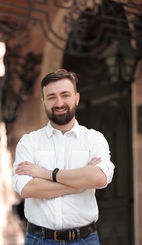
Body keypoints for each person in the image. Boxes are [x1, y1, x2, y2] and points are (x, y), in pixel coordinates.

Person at [13, 69, 115, 245]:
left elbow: (99, 178)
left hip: (84, 240)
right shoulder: (29, 142)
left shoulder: (94, 139)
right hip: (39, 240)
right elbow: (28, 189)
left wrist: (45, 174)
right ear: (44, 101)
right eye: (51, 97)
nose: (59, 102)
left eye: (65, 95)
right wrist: (78, 185)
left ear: (76, 97)